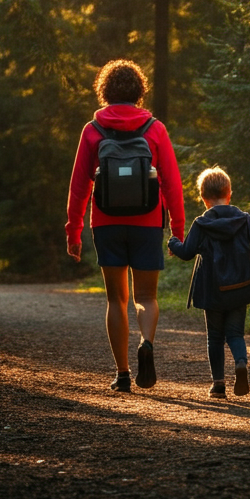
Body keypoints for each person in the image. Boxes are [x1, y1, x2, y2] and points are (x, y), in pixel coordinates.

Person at [66, 59, 185, 392]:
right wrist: (178, 229)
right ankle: (146, 341)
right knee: (146, 295)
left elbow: (79, 187)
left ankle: (122, 373)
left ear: (104, 91)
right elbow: (172, 182)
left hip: (106, 223)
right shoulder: (155, 129)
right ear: (139, 91)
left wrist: (73, 231)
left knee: (116, 299)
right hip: (148, 221)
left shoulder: (93, 130)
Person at [168, 167, 250, 398]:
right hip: (241, 286)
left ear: (203, 198)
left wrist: (173, 243)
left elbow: (187, 252)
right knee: (235, 334)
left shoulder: (201, 223)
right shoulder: (244, 219)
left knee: (215, 337)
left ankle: (218, 384)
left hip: (212, 290)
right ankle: (241, 363)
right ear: (229, 193)